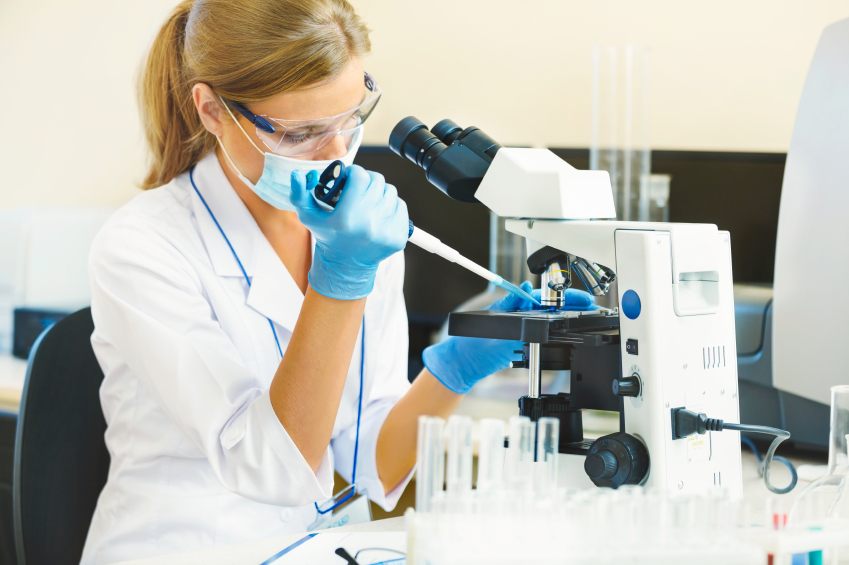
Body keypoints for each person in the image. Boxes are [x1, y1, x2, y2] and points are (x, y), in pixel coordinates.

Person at [80, 0, 596, 562]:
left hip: (318, 547)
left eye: (350, 119)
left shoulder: (358, 226)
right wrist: (342, 278)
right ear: (211, 110)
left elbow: (372, 460)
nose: (336, 156)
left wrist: (456, 366)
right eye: (301, 133)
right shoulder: (142, 246)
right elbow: (272, 467)